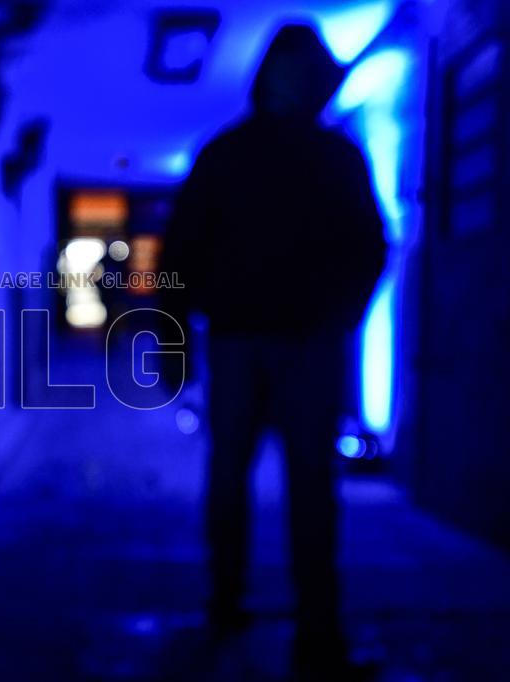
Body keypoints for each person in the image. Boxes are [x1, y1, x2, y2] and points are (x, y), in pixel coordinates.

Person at [160, 23, 386, 681]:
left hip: (280, 341)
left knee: (291, 484)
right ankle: (251, 611)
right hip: (254, 341)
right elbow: (182, 252)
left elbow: (368, 248)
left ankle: (289, 623)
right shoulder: (255, 154)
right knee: (257, 480)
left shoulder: (299, 155)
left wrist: (336, 319)